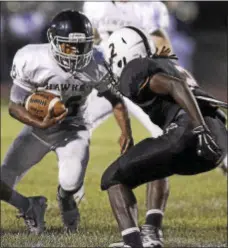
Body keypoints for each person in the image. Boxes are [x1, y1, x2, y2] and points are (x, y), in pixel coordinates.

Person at [1, 10, 133, 234]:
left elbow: (116, 100)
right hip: (37, 130)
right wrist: (40, 123)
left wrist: (126, 131)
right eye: (69, 46)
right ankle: (29, 206)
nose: (76, 53)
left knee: (71, 182)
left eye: (82, 46)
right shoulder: (32, 58)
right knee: (2, 182)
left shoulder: (97, 62)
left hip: (73, 129)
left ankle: (66, 197)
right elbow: (14, 106)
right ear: (53, 41)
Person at [101, 26, 227, 248]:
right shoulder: (168, 64)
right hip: (218, 141)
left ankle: (133, 243)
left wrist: (199, 128)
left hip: (191, 131)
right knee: (154, 163)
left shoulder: (135, 68)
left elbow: (173, 84)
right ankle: (151, 231)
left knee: (112, 178)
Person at [83, 2, 172, 245]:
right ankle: (69, 191)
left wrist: (160, 69)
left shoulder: (149, 6)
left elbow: (160, 41)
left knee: (164, 138)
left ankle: (151, 226)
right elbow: (89, 37)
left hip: (137, 78)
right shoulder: (95, 4)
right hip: (106, 77)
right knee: (76, 124)